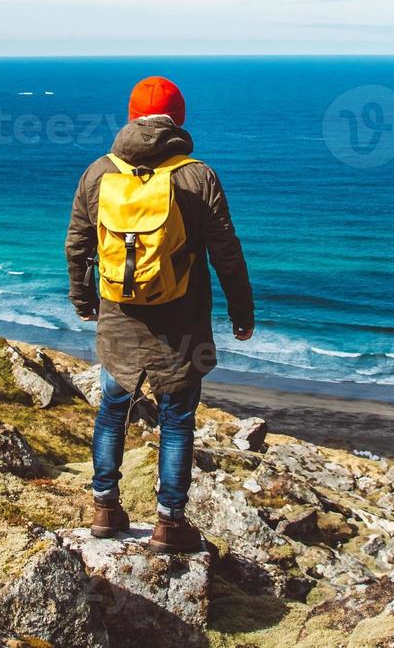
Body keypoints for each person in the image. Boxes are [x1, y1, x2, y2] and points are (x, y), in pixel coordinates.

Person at [66, 76, 255, 554]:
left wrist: (82, 299)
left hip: (118, 320)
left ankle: (105, 508)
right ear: (179, 118)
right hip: (183, 324)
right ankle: (170, 522)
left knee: (111, 409)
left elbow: (78, 245)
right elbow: (225, 253)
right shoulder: (198, 176)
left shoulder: (97, 173)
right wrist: (241, 309)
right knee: (176, 419)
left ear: (131, 116)